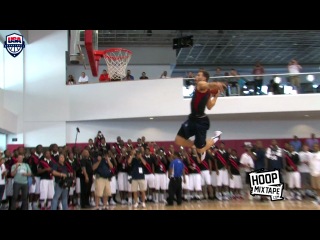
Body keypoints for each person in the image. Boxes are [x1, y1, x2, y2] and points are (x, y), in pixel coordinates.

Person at [174, 70, 226, 161]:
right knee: (178, 140)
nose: (196, 76)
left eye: (198, 75)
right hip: (192, 119)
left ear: (204, 78)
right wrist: (216, 92)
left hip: (201, 122)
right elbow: (209, 106)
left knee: (201, 149)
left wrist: (217, 89)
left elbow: (209, 105)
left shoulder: (201, 84)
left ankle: (216, 137)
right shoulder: (204, 88)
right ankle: (197, 145)